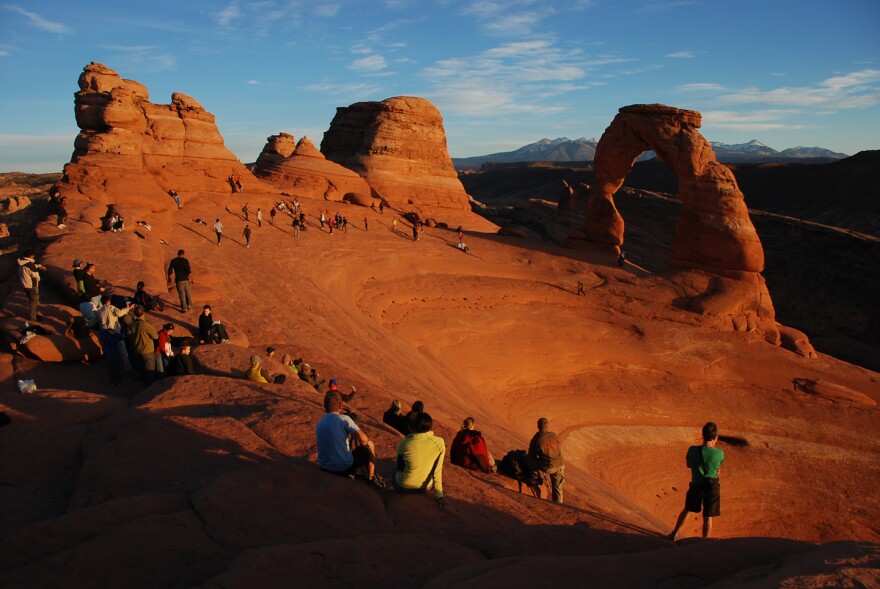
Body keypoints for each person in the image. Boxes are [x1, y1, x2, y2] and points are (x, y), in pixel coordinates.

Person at [315, 391, 384, 488]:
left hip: (325, 467)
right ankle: (371, 479)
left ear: (325, 406)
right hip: (342, 468)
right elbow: (363, 440)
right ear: (341, 406)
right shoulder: (344, 419)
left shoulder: (320, 422)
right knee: (369, 445)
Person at [668, 422, 725, 541]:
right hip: (712, 486)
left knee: (687, 509)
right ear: (716, 437)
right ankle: (705, 542)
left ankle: (674, 534)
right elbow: (718, 469)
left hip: (696, 485)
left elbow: (688, 465)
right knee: (708, 517)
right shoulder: (719, 453)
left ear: (702, 435)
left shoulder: (692, 450)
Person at [394, 412, 448, 508]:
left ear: (415, 427)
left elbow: (399, 466)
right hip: (425, 488)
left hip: (403, 486)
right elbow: (437, 470)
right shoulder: (440, 442)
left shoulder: (405, 443)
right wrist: (439, 496)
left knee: (394, 469)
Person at [528, 417, 565, 503]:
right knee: (558, 489)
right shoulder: (554, 435)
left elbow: (531, 455)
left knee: (530, 460)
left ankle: (535, 478)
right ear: (547, 426)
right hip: (560, 465)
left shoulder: (536, 439)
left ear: (538, 426)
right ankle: (559, 506)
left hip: (548, 467)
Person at [128, 305, 160, 387]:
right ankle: (148, 388)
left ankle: (144, 384)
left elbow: (129, 334)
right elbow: (155, 336)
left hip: (137, 350)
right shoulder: (145, 325)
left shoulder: (132, 324)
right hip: (147, 351)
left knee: (142, 368)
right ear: (144, 313)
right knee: (150, 370)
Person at [17, 251, 46, 322]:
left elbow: (30, 266)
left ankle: (34, 315)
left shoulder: (21, 263)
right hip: (32, 285)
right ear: (31, 256)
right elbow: (35, 275)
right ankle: (33, 317)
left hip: (25, 284)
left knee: (32, 300)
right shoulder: (29, 265)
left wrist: (39, 266)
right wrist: (38, 281)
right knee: (34, 301)